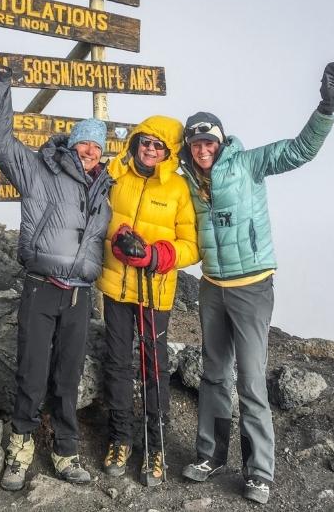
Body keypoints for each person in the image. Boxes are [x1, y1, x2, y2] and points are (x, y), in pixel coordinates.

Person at [178, 63, 334, 504]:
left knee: (251, 381)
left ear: (221, 141)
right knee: (214, 376)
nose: (203, 149)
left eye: (209, 141)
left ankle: (259, 472)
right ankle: (210, 456)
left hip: (252, 287)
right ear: (189, 146)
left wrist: (326, 108)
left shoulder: (249, 164)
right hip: (212, 287)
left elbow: (299, 151)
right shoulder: (186, 183)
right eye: (196, 142)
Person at [0, 64, 114, 491]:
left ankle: (65, 451)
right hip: (41, 289)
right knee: (32, 373)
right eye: (84, 143)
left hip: (80, 297)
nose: (90, 151)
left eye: (96, 145)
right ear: (72, 145)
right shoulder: (39, 170)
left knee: (67, 379)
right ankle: (19, 454)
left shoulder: (106, 190)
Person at [97, 115, 200, 486]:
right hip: (115, 286)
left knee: (153, 369)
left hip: (155, 293)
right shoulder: (117, 176)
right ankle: (119, 439)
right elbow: (100, 217)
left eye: (159, 145)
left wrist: (156, 256)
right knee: (117, 363)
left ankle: (155, 448)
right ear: (136, 141)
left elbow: (192, 246)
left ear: (169, 151)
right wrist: (117, 235)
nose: (151, 149)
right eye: (145, 142)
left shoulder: (178, 189)